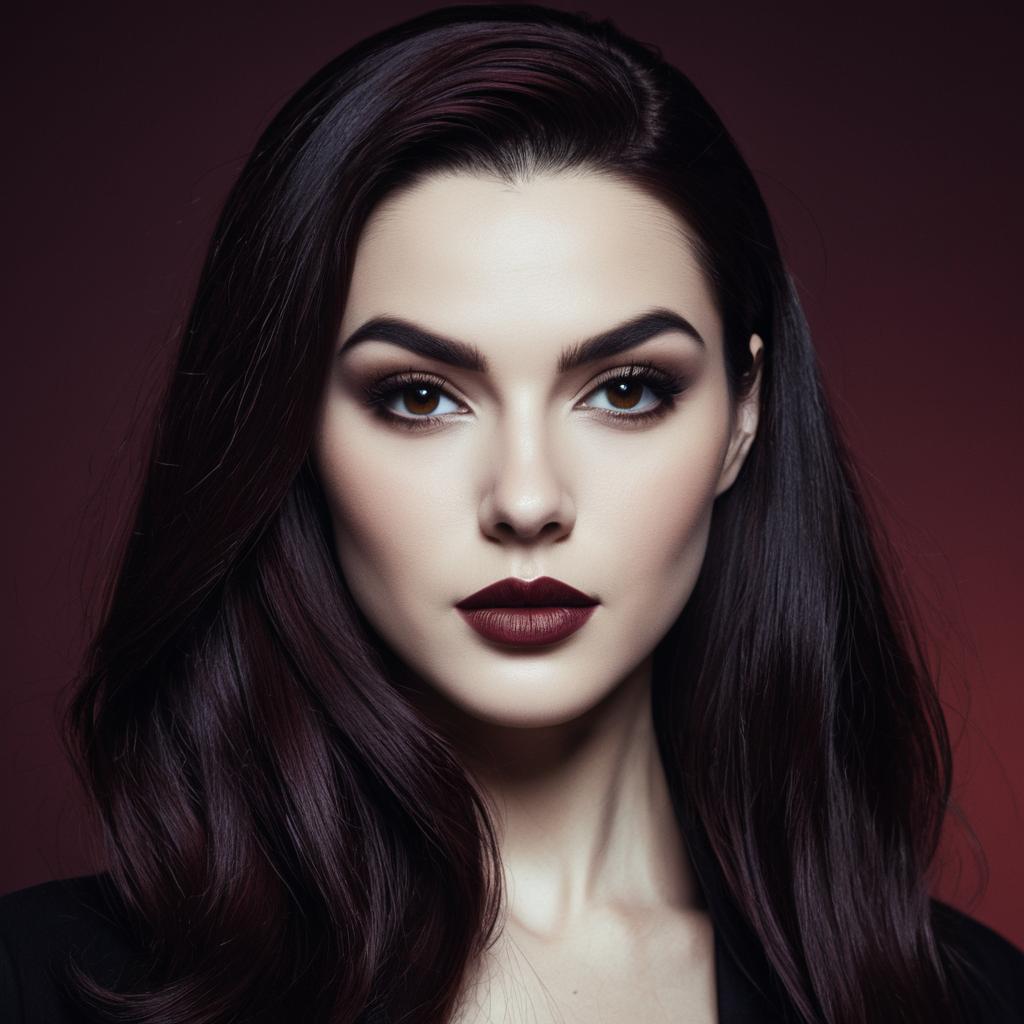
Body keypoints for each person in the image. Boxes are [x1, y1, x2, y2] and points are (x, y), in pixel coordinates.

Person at [1, 4, 1022, 1023]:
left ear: (742, 416)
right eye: (418, 395)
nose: (526, 500)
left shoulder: (960, 1002)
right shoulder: (40, 981)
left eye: (626, 389)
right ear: (292, 428)